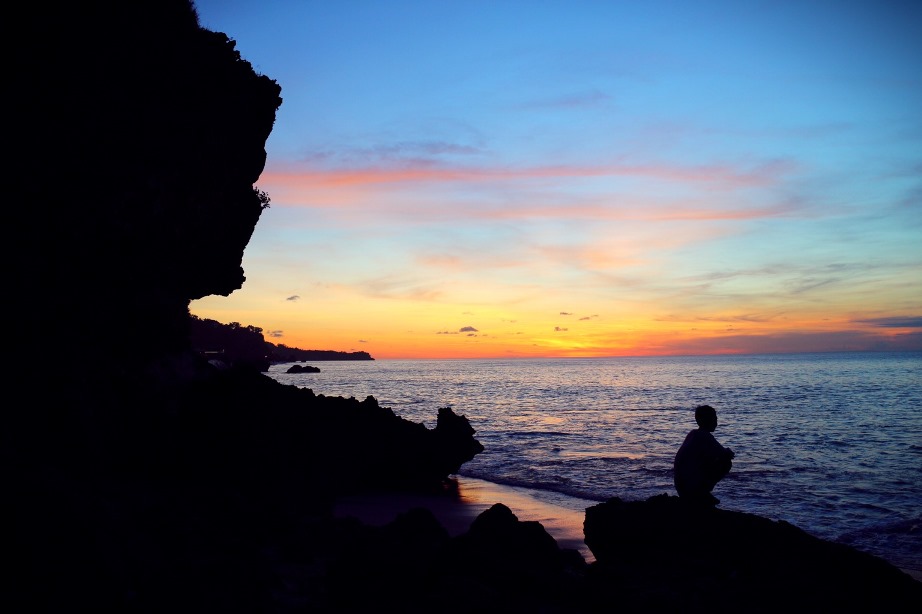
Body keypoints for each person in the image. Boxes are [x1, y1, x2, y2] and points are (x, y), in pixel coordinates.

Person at [673, 404, 734, 506]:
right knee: (726, 462)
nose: (716, 421)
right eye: (713, 418)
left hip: (681, 486)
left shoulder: (693, 434)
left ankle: (701, 493)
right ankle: (702, 493)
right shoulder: (704, 436)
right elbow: (725, 454)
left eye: (715, 418)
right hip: (689, 487)